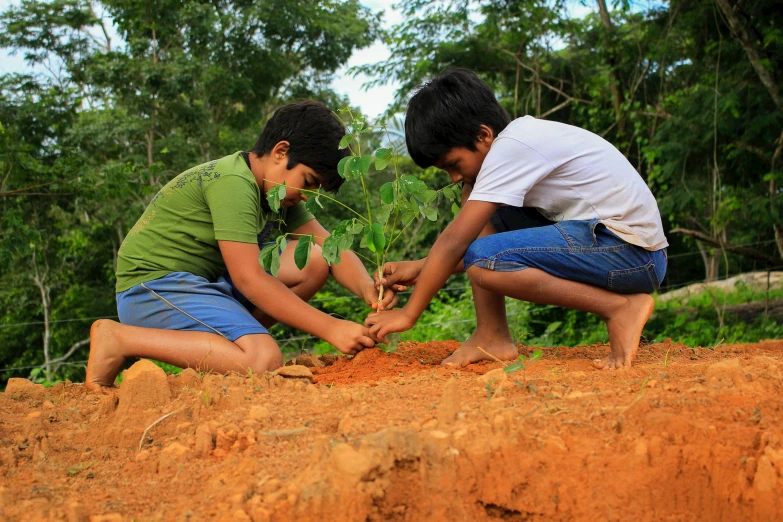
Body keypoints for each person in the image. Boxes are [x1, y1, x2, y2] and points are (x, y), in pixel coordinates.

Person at [366, 69, 668, 370]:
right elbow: (471, 243)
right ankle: (492, 334)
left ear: (483, 135)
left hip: (631, 253)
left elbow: (456, 242)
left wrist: (409, 313)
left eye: (453, 164)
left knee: (483, 256)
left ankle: (621, 308)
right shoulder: (513, 144)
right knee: (473, 200)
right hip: (612, 246)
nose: (453, 177)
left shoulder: (513, 148)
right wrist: (420, 268)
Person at [86, 101, 392, 392]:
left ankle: (234, 347)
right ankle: (119, 339)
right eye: (308, 181)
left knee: (312, 260)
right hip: (153, 289)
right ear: (280, 152)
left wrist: (367, 287)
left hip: (204, 286)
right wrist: (330, 327)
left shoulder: (279, 193)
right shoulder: (233, 182)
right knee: (264, 361)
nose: (307, 195)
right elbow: (248, 278)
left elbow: (330, 248)